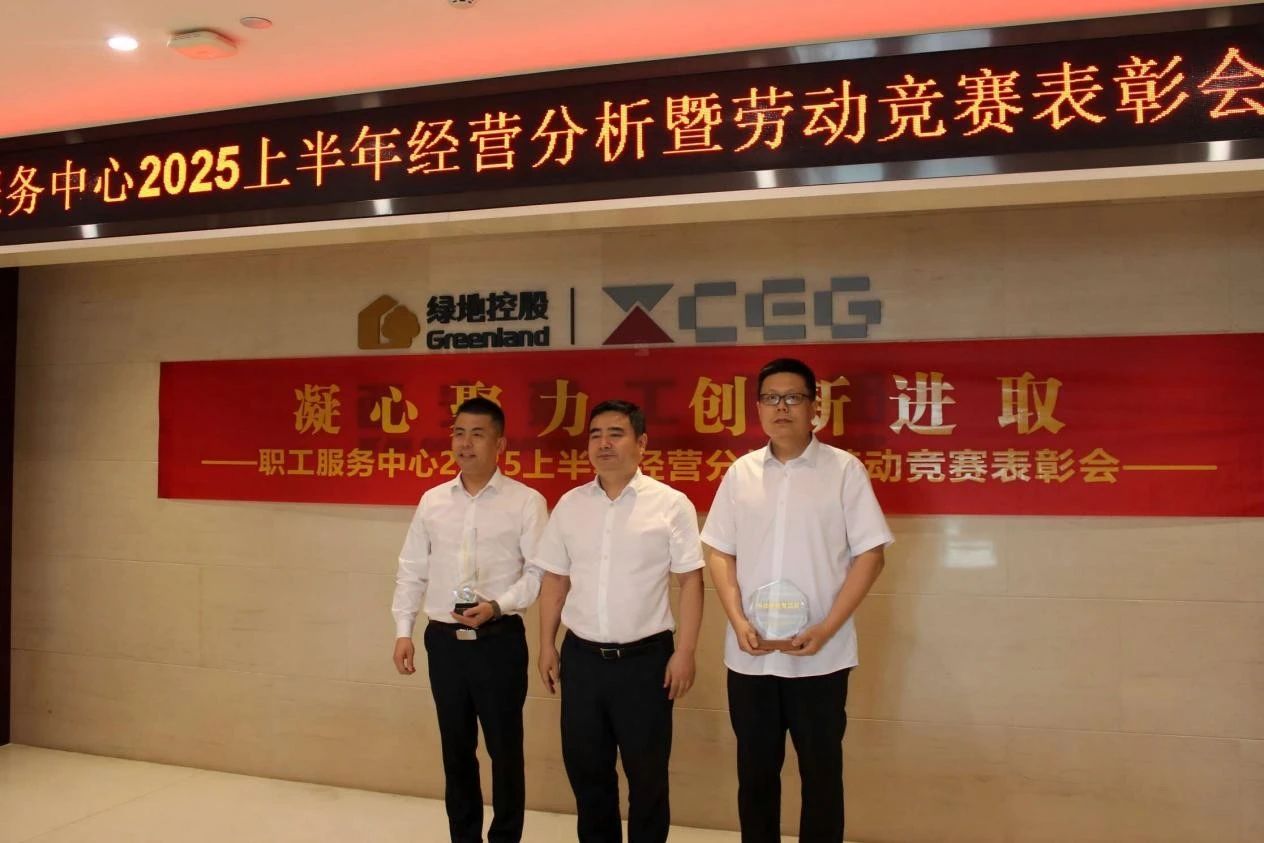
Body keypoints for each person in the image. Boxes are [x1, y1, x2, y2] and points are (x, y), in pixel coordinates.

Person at [700, 358, 893, 843]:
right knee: (755, 778)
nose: (781, 407)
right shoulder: (740, 473)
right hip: (752, 656)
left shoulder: (844, 471)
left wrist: (826, 628)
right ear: (758, 407)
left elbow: (871, 555)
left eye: (792, 397)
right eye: (770, 398)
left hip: (820, 658)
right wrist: (736, 618)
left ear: (814, 406)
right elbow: (719, 550)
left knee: (821, 778)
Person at [534, 399, 705, 843]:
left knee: (647, 777)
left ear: (641, 442)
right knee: (588, 773)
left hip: (646, 663)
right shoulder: (570, 505)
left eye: (615, 433)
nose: (603, 443)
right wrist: (547, 644)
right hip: (582, 659)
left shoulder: (671, 504)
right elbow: (555, 579)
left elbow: (691, 581)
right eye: (595, 435)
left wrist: (686, 652)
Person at [392, 396, 548, 843]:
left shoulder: (526, 502)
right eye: (458, 433)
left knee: (504, 750)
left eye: (477, 434)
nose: (465, 443)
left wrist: (497, 605)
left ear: (500, 443)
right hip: (444, 641)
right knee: (456, 750)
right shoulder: (433, 501)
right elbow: (411, 569)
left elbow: (539, 572)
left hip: (499, 640)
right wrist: (403, 631)